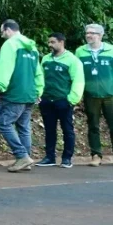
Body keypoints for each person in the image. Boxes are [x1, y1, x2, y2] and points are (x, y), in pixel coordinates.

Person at [0, 19, 44, 173]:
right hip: (30, 93)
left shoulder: (10, 44)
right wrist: (39, 91)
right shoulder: (32, 48)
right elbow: (38, 72)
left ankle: (22, 156)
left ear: (8, 30)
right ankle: (26, 159)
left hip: (14, 93)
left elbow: (5, 67)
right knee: (23, 127)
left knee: (3, 123)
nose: (2, 36)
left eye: (2, 32)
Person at [36, 33, 84, 168]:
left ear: (61, 42)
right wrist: (39, 94)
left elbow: (78, 81)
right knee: (49, 130)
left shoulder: (72, 60)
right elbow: (40, 78)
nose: (50, 45)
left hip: (63, 101)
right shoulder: (45, 59)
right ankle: (49, 157)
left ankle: (67, 158)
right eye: (49, 42)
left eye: (53, 42)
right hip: (46, 100)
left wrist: (71, 100)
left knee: (67, 130)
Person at [75, 23, 113, 167]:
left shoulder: (111, 50)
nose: (88, 35)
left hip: (110, 95)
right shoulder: (80, 51)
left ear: (101, 35)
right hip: (90, 95)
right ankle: (96, 155)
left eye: (92, 33)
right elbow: (77, 74)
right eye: (87, 33)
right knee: (93, 125)